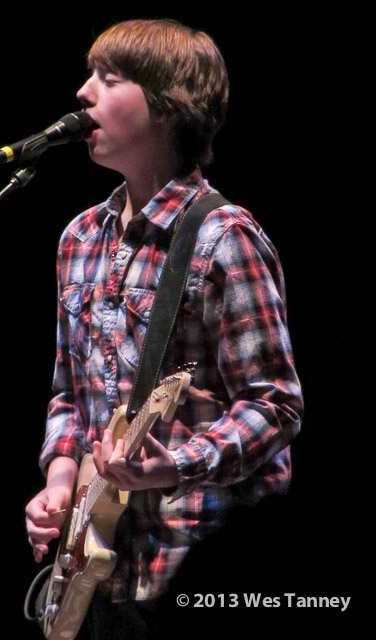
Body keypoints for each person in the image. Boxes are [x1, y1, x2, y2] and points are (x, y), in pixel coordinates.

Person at [25, 18, 303, 639]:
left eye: (109, 78)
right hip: (101, 574)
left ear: (169, 107)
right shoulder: (80, 238)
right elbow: (69, 393)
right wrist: (59, 484)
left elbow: (275, 406)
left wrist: (173, 465)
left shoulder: (222, 237)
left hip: (194, 570)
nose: (83, 91)